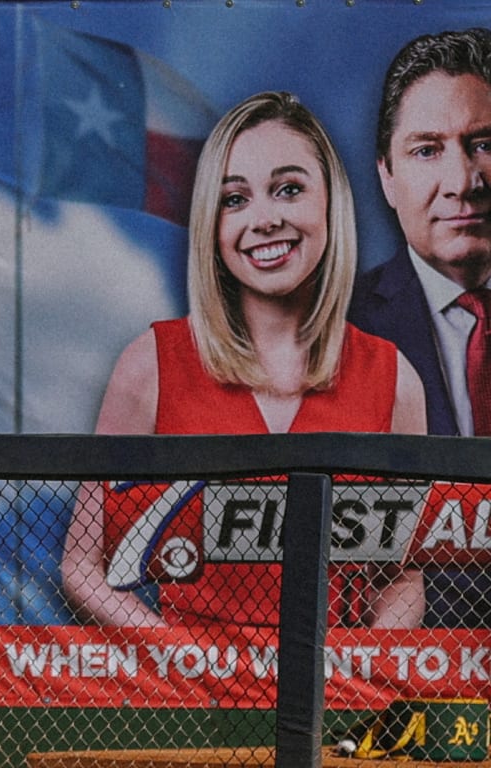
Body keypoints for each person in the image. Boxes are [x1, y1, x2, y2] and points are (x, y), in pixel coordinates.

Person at [60, 91, 428, 628]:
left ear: (330, 202)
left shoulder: (394, 380)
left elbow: (402, 578)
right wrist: (179, 658)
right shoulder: (151, 366)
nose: (264, 219)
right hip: (195, 705)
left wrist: (354, 673)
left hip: (342, 707)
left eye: (288, 189)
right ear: (212, 223)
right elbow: (82, 568)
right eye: (235, 199)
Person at [349, 27, 491, 627]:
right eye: (426, 150)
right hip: (405, 668)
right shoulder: (338, 328)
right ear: (385, 175)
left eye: (483, 143)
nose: (462, 182)